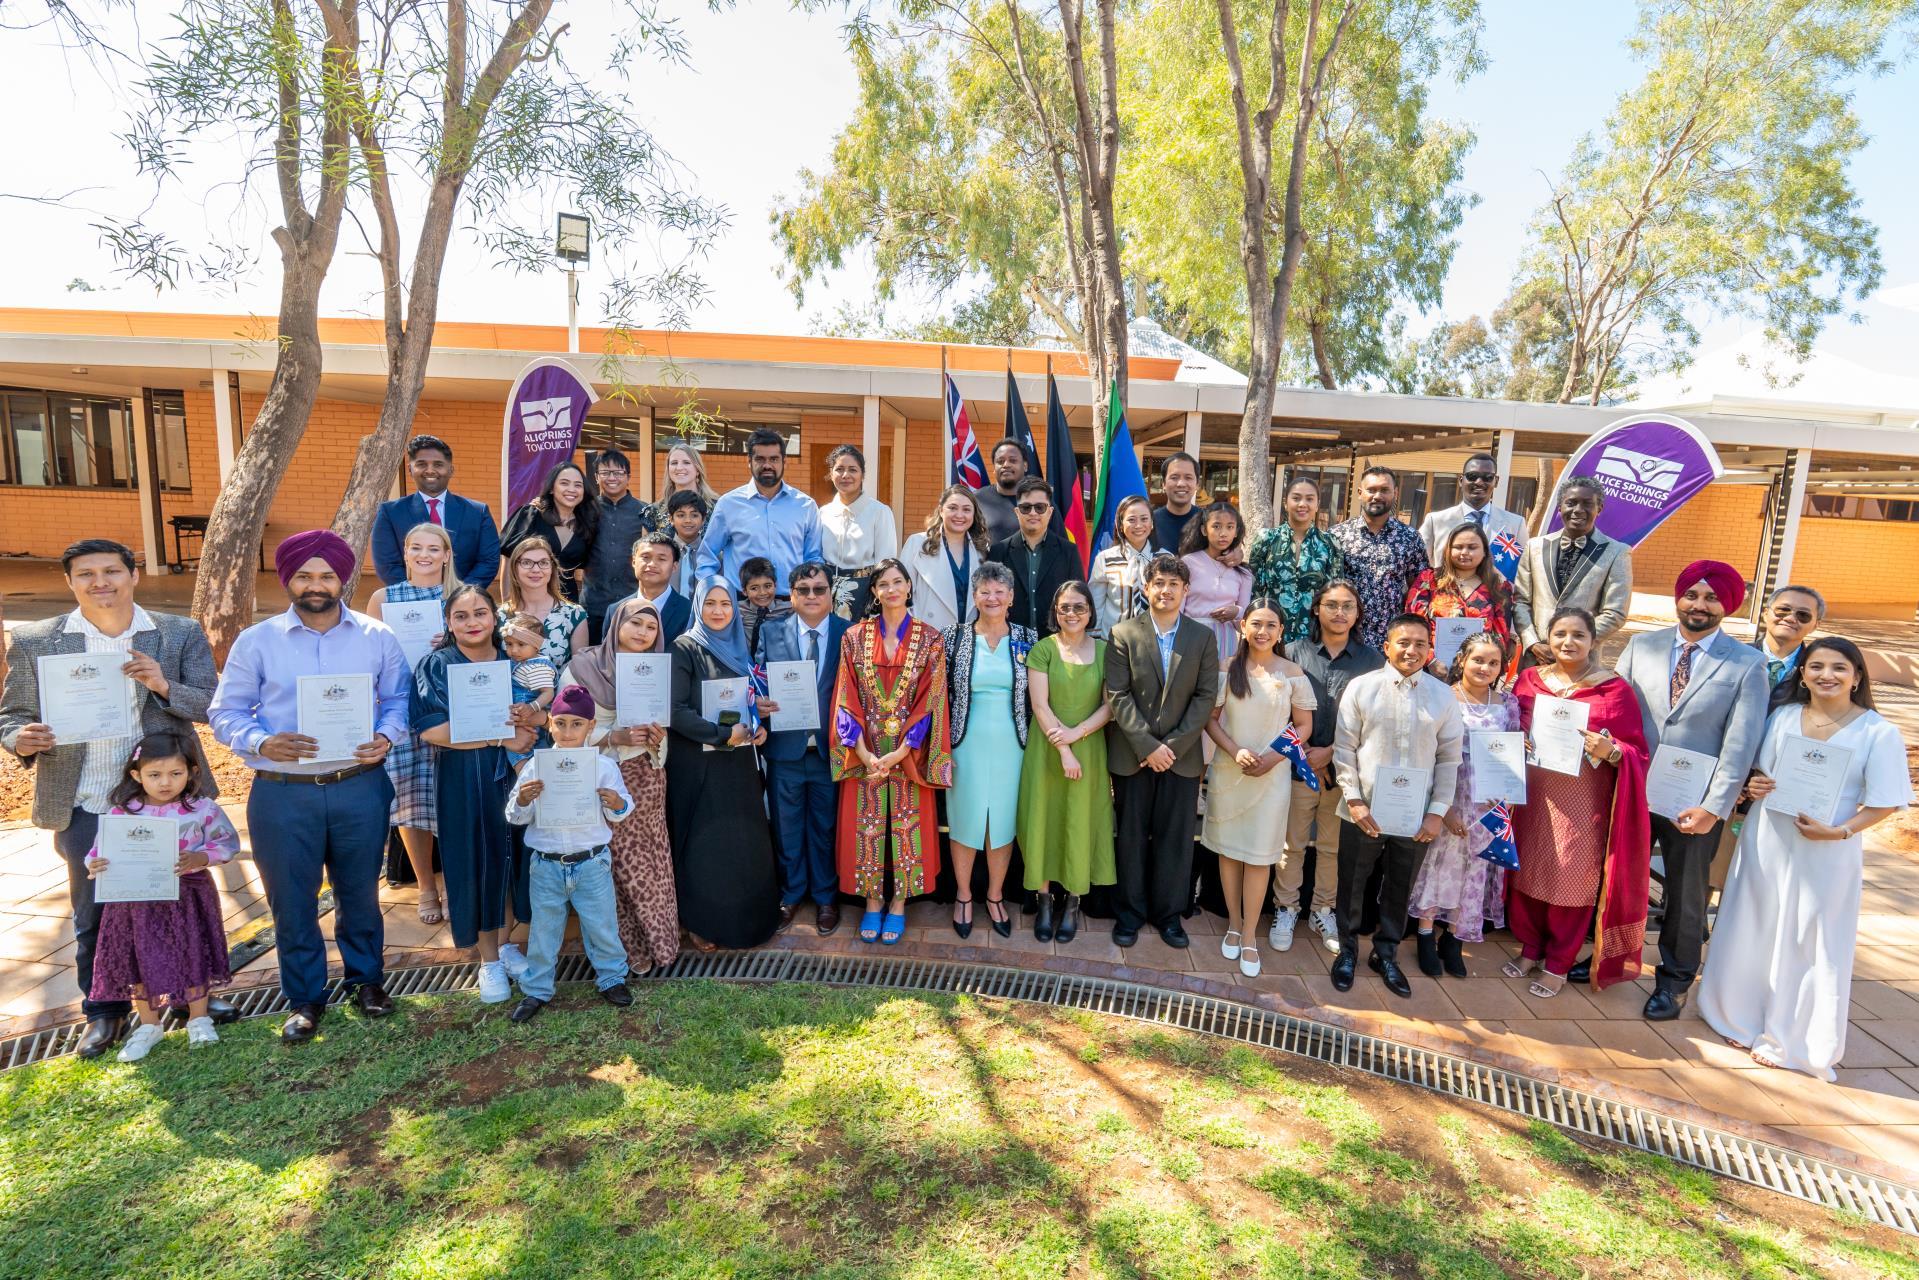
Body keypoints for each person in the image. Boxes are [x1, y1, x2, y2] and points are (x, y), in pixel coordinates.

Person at [0, 537, 223, 1059]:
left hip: (167, 801)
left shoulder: (175, 632)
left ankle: (194, 997)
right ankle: (103, 1011)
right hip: (84, 802)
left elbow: (212, 703)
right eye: (86, 574)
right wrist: (19, 738)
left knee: (176, 902)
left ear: (133, 575)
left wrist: (165, 684)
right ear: (70, 582)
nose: (100, 582)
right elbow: (10, 716)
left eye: (111, 571)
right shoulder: (37, 640)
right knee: (95, 911)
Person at [209, 529, 411, 1043]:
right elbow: (225, 711)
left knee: (360, 892)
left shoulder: (375, 637)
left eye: (327, 575)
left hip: (358, 784)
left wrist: (386, 737)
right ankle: (305, 999)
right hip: (283, 790)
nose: (316, 585)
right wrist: (261, 740)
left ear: (343, 577)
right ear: (288, 580)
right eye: (304, 575)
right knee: (291, 900)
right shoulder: (258, 641)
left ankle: (367, 982)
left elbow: (399, 700)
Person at [1699, 636, 1912, 1080]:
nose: (1826, 675)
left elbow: (1886, 802)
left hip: (1826, 848)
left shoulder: (1877, 732)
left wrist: (1840, 831)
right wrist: (1754, 787)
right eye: (1816, 666)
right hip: (1768, 838)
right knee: (1753, 922)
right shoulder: (1783, 717)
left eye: (1839, 667)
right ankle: (1735, 1015)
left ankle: (1790, 1038)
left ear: (1856, 677)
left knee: (1810, 937)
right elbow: (1761, 773)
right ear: (1802, 673)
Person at [1609, 560, 1769, 1020]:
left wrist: (1714, 808)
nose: (1699, 605)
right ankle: (1611, 956)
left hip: (1693, 804)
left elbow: (1740, 745)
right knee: (1623, 879)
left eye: (1712, 598)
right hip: (1635, 790)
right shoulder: (1642, 646)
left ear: (1727, 606)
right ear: (1679, 598)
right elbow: (1616, 710)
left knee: (1686, 893)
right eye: (1692, 595)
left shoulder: (1747, 664)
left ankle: (1675, 979)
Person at [1506, 607, 1650, 997]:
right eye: (1560, 634)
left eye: (1578, 635)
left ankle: (1558, 963)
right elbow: (1508, 724)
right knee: (1529, 870)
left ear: (1593, 640)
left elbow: (1637, 750)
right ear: (1548, 639)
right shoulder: (1530, 680)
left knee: (1570, 879)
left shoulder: (1613, 690)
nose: (1568, 643)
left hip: (1583, 800)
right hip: (1534, 796)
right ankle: (1530, 948)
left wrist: (1612, 749)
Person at [1329, 613, 1464, 999]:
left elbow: (1449, 758)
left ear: (1429, 650)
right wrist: (1353, 800)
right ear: (1387, 646)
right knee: (1352, 884)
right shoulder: (1362, 688)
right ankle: (1349, 952)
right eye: (1403, 642)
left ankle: (1385, 953)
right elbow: (1344, 749)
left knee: (1400, 887)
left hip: (1417, 816)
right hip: (1364, 810)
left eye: (1420, 644)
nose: (1411, 650)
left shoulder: (1442, 697)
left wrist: (1437, 811)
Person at [83, 730, 239, 1061]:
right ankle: (148, 1025)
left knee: (191, 951)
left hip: (188, 897)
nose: (165, 782)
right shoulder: (123, 814)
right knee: (140, 957)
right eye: (155, 775)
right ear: (136, 775)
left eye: (176, 773)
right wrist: (94, 863)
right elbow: (98, 851)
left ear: (193, 772)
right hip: (136, 902)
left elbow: (227, 842)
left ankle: (199, 1018)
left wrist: (200, 858)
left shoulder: (202, 809)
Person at [413, 584, 533, 1004]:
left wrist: (528, 719)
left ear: (494, 617)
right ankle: (488, 962)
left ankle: (503, 946)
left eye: (480, 613)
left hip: (514, 777)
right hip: (465, 777)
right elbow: (433, 730)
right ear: (448, 622)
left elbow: (535, 715)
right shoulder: (436, 664)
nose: (472, 623)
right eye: (460, 616)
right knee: (477, 861)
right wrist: (500, 739)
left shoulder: (511, 661)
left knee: (511, 860)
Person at [830, 558, 954, 945]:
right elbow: (845, 696)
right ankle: (871, 902)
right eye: (884, 584)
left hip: (908, 753)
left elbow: (932, 699)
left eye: (899, 582)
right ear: (874, 592)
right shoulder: (853, 637)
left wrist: (902, 752)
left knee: (905, 827)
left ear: (910, 588)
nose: (892, 589)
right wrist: (864, 754)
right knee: (867, 828)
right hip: (865, 751)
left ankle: (898, 904)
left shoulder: (931, 638)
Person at [1104, 553, 1221, 949]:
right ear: (1146, 588)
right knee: (1131, 837)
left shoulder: (1202, 637)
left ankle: (1170, 915)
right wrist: (1147, 746)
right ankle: (1129, 914)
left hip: (1181, 757)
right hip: (1132, 755)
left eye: (1174, 584)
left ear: (1185, 591)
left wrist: (1169, 748)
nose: (1166, 590)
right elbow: (1117, 695)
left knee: (1175, 839)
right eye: (1159, 583)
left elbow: (1205, 697)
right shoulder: (1123, 634)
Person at [504, 684, 636, 1023]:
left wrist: (617, 803)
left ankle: (611, 978)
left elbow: (622, 810)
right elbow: (514, 816)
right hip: (546, 864)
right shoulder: (536, 767)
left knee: (601, 924)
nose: (567, 731)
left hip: (591, 861)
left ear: (591, 727)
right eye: (560, 722)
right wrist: (523, 800)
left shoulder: (604, 767)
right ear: (549, 723)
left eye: (577, 724)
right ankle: (538, 988)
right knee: (544, 929)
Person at [1201, 598, 1315, 979]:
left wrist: (1274, 757)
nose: (1262, 631)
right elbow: (1211, 720)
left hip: (1272, 775)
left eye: (1270, 625)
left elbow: (1303, 727)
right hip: (1230, 771)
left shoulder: (1292, 672)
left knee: (1260, 855)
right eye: (1255, 624)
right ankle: (1234, 922)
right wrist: (1235, 752)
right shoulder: (1225, 669)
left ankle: (1250, 934)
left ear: (1281, 632)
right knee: (1230, 852)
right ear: (1243, 627)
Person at [564, 600, 680, 975]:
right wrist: (614, 735)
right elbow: (565, 730)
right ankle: (624, 949)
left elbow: (661, 735)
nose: (643, 633)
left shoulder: (658, 671)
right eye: (636, 623)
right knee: (613, 866)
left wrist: (657, 736)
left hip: (645, 777)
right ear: (616, 624)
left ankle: (659, 943)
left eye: (651, 627)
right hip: (600, 778)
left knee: (652, 860)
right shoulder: (583, 668)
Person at [667, 577, 782, 951]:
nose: (718, 611)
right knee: (705, 844)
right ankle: (702, 921)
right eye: (710, 603)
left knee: (741, 840)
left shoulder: (737, 647)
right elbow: (675, 711)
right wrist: (719, 734)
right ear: (698, 606)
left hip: (736, 763)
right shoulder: (684, 648)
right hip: (698, 764)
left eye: (726, 604)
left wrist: (756, 728)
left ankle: (751, 917)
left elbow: (744, 702)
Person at [1276, 580, 1383, 955]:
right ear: (1316, 609)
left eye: (1348, 606)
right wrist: (1306, 753)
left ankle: (1323, 909)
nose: (1340, 613)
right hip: (1297, 766)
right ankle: (1286, 907)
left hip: (1346, 772)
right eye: (1332, 605)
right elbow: (1277, 711)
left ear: (1357, 614)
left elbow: (1376, 720)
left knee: (1332, 848)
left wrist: (1332, 753)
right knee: (1291, 844)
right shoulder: (1292, 653)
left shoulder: (1373, 661)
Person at [1406, 631, 1520, 977]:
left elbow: (1513, 754)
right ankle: (1426, 935)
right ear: (1462, 661)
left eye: (1493, 662)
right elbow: (1429, 752)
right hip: (1449, 797)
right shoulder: (1444, 698)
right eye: (1477, 659)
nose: (1484, 667)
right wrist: (1445, 808)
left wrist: (1508, 803)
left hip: (1487, 806)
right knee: (1440, 867)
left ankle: (1454, 938)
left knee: (1474, 871)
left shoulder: (1507, 704)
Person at [366, 522, 456, 923]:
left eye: (433, 549)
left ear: (446, 554)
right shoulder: (383, 598)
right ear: (404, 553)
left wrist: (453, 641)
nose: (425, 555)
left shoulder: (461, 595)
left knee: (452, 799)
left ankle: (456, 882)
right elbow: (369, 658)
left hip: (450, 708)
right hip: (400, 708)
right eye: (416, 547)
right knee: (409, 798)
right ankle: (425, 886)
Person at [753, 562, 850, 934]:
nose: (812, 596)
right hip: (785, 749)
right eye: (804, 589)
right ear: (791, 595)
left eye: (819, 589)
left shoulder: (849, 634)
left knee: (825, 828)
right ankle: (791, 895)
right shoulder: (772, 631)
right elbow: (758, 680)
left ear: (830, 595)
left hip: (830, 751)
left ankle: (826, 898)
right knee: (787, 827)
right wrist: (758, 703)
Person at [1018, 580, 1113, 943]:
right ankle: (1044, 901)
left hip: (1088, 748)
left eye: (1078, 607)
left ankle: (1073, 902)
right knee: (1043, 820)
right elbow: (1040, 705)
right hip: (1047, 749)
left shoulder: (1106, 651)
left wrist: (1077, 736)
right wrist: (1064, 747)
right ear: (1054, 613)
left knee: (1080, 821)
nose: (1071, 613)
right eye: (1064, 607)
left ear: (1090, 611)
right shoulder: (1043, 649)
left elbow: (1110, 706)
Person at [944, 562, 1034, 939]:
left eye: (1000, 591)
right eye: (985, 591)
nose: (992, 597)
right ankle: (964, 895)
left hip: (1013, 746)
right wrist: (942, 747)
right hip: (966, 743)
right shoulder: (955, 637)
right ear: (975, 597)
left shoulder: (1028, 639)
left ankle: (995, 895)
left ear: (1012, 597)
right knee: (965, 820)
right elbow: (939, 697)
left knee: (1002, 823)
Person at [1513, 476, 1633, 666]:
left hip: (1583, 661)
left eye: (1587, 504)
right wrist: (1533, 642)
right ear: (1560, 508)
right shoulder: (1534, 547)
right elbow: (1521, 601)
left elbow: (1615, 613)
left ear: (1599, 509)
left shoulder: (1617, 552)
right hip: (1535, 658)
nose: (1578, 510)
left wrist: (1574, 643)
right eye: (1571, 503)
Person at [695, 428, 824, 600]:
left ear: (785, 461)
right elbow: (707, 556)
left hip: (791, 605)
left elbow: (813, 558)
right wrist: (713, 593)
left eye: (774, 459)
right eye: (760, 459)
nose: (767, 465)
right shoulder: (729, 504)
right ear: (749, 461)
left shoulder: (805, 506)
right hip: (741, 606)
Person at [372, 433, 500, 591]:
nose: (430, 470)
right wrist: (423, 594)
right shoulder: (390, 513)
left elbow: (488, 561)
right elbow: (387, 565)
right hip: (413, 603)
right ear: (410, 469)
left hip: (463, 601)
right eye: (422, 464)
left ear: (451, 470)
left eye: (438, 464)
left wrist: (460, 594)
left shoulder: (478, 512)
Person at [1329, 466, 1428, 650]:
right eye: (1371, 490)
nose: (1377, 496)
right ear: (1360, 493)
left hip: (1391, 641)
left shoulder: (1410, 538)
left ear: (1395, 493)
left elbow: (1419, 590)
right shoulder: (1337, 535)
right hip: (1345, 638)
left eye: (1384, 490)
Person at [1247, 476, 1345, 646]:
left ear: (1317, 504)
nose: (1302, 504)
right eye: (1296, 498)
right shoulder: (1267, 539)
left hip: (1314, 636)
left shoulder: (1330, 543)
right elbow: (1254, 591)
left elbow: (1335, 594)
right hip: (1270, 634)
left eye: (1309, 499)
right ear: (1286, 503)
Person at [1405, 522, 1514, 664]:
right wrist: (1431, 661)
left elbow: (1500, 635)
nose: (1464, 552)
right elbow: (1413, 625)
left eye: (1472, 547)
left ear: (1485, 552)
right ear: (1448, 551)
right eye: (1458, 547)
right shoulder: (1429, 579)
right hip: (1431, 667)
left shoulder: (1498, 586)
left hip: (1479, 669)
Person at [581, 448, 655, 647]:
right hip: (594, 603)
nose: (612, 477)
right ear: (596, 477)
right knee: (594, 660)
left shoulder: (645, 511)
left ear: (628, 476)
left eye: (618, 473)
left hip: (631, 602)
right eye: (605, 473)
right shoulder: (585, 509)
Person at [987, 476, 1078, 638]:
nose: (1033, 513)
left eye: (1040, 507)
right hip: (1010, 643)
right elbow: (989, 598)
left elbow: (1078, 599)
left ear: (1050, 512)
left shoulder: (1068, 551)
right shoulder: (998, 551)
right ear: (1017, 512)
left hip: (1056, 645)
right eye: (1026, 507)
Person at [818, 443, 899, 620]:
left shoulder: (879, 512)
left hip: (864, 591)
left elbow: (886, 561)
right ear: (831, 474)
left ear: (862, 474)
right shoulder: (823, 513)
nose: (845, 475)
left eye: (853, 470)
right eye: (839, 469)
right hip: (826, 591)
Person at [500, 461, 596, 601]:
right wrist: (507, 601)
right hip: (526, 599)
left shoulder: (587, 524)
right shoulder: (531, 515)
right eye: (564, 483)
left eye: (578, 485)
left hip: (567, 602)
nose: (571, 489)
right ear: (551, 489)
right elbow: (508, 559)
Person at [1417, 453, 1527, 571]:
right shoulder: (1435, 521)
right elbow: (1418, 565)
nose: (1479, 482)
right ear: (1460, 480)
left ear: (1496, 481)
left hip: (1495, 589)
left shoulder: (1515, 524)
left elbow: (1522, 570)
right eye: (1472, 476)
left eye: (1487, 477)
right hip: (1447, 588)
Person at [901, 484, 987, 633]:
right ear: (941, 510)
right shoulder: (917, 544)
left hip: (969, 640)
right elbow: (901, 594)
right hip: (926, 636)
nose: (959, 515)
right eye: (952, 508)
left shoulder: (982, 550)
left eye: (966, 509)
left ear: (974, 514)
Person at [501, 536, 589, 678]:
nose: (536, 569)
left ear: (552, 569)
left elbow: (580, 672)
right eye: (527, 563)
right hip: (510, 698)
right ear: (514, 569)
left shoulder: (574, 615)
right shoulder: (500, 616)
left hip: (559, 696)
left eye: (543, 563)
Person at [1180, 501, 1253, 665]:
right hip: (1192, 637)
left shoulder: (1244, 573)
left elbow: (1245, 623)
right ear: (1204, 530)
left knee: (1222, 688)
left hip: (1227, 642)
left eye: (1229, 527)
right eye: (1216, 526)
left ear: (1236, 532)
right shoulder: (1188, 563)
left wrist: (1237, 612)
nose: (1223, 533)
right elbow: (1178, 610)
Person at [602, 532, 693, 645]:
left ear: (674, 567)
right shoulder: (615, 610)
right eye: (645, 557)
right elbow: (607, 656)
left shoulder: (689, 611)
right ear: (634, 562)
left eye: (661, 559)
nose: (652, 564)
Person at [1089, 494, 1155, 635]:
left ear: (1152, 523)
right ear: (1120, 524)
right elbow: (1096, 604)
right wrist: (1096, 642)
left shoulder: (1164, 558)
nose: (1138, 525)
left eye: (1144, 519)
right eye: (1131, 519)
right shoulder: (1105, 559)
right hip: (1114, 641)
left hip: (1155, 642)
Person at [1753, 584, 1824, 711]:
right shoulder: (1734, 657)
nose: (1790, 618)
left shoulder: (1820, 672)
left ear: (1815, 625)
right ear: (1765, 613)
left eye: (1803, 615)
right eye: (1783, 610)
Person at [972, 438, 1031, 545]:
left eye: (1013, 460)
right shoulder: (976, 500)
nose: (1006, 465)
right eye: (1000, 461)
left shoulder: (1041, 501)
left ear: (1025, 466)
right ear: (994, 468)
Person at [654, 439, 723, 527]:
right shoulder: (653, 511)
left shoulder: (718, 507)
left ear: (697, 469)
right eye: (674, 463)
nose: (679, 468)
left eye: (686, 462)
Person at [1151, 452, 1203, 553]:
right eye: (1174, 477)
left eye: (1188, 477)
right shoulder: (1149, 522)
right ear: (1163, 484)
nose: (1181, 484)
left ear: (1197, 484)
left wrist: (1234, 552)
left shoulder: (1208, 521)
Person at [665, 490, 708, 597]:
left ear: (703, 519)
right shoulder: (662, 554)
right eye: (681, 515)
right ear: (671, 519)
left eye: (694, 515)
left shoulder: (713, 555)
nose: (688, 520)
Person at [738, 556, 779, 652]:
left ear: (775, 586)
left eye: (768, 586)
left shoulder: (789, 610)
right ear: (744, 591)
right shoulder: (736, 611)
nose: (762, 593)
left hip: (778, 663)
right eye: (754, 588)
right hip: (745, 664)